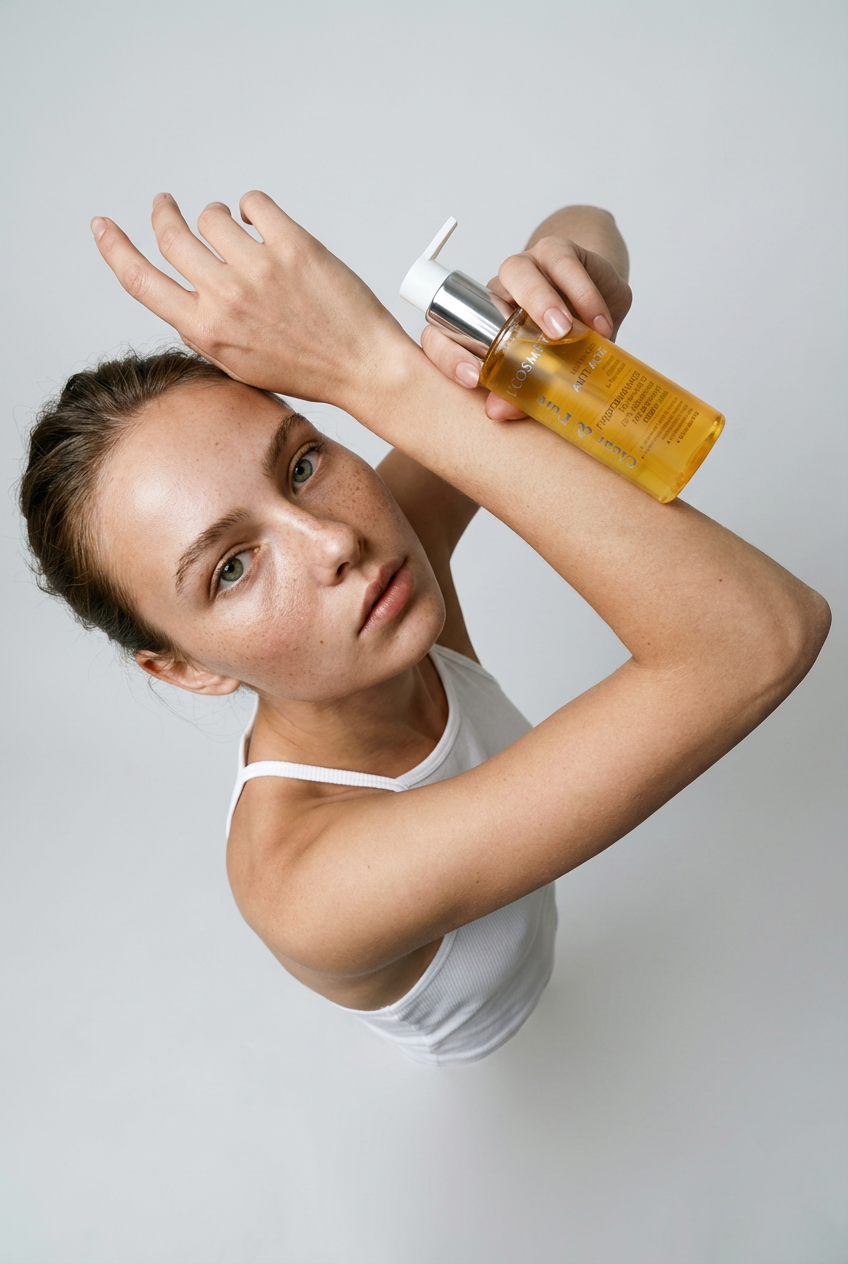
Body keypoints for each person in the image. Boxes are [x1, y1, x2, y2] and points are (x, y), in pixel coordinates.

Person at [19, 194, 830, 1066]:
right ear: (183, 667)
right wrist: (375, 371)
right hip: (500, 1052)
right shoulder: (307, 884)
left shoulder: (383, 576)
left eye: (301, 463)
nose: (334, 542)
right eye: (231, 568)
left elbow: (589, 222)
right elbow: (759, 640)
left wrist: (558, 286)